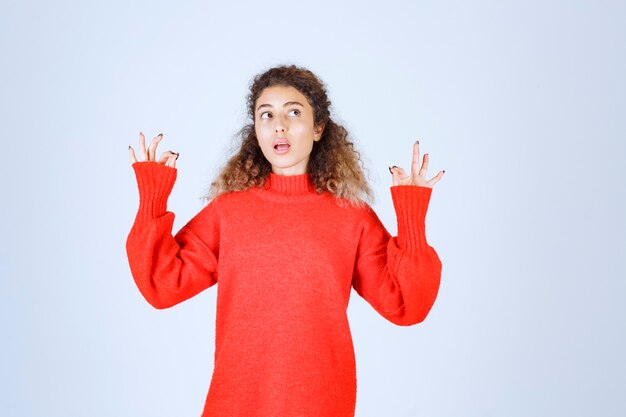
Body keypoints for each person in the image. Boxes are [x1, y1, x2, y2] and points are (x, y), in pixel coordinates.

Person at [126, 64, 444, 417]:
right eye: (267, 114)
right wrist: (152, 198)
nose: (279, 124)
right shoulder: (228, 212)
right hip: (236, 403)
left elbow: (407, 304)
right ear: (257, 132)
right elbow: (161, 283)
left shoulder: (351, 216)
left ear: (318, 128)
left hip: (321, 403)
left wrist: (412, 217)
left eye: (294, 111)